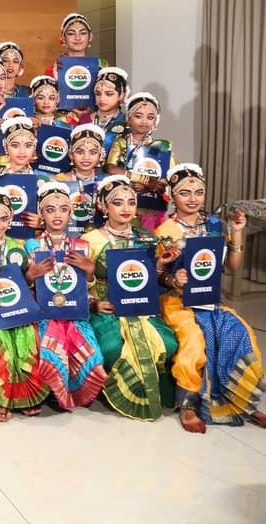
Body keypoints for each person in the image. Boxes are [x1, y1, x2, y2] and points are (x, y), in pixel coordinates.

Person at [153, 164, 265, 432]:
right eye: (185, 193)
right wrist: (172, 278)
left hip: (209, 298)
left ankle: (242, 399)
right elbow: (156, 276)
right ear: (172, 196)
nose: (193, 198)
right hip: (175, 301)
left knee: (241, 331)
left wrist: (237, 231)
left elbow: (233, 266)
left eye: (199, 192)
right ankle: (189, 403)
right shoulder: (165, 230)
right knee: (193, 338)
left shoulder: (215, 224)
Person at [81, 175, 177, 421]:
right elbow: (76, 284)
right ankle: (121, 392)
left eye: (131, 202)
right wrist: (93, 303)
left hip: (140, 306)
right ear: (103, 206)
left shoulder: (145, 236)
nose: (126, 208)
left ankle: (154, 392)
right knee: (113, 346)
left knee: (167, 343)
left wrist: (159, 266)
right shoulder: (89, 240)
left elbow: (149, 279)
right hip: (106, 307)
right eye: (118, 202)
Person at [24, 182, 107, 409]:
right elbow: (27, 288)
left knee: (91, 354)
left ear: (71, 213)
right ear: (41, 215)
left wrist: (89, 271)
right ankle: (53, 392)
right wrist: (31, 276)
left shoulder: (81, 245)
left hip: (75, 311)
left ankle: (75, 391)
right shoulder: (32, 246)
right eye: (50, 210)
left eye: (63, 209)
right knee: (50, 346)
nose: (57, 215)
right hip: (44, 312)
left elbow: (85, 287)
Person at [0, 187, 48, 422]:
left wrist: (32, 276)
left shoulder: (18, 246)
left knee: (27, 334)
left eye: (3, 218)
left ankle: (24, 395)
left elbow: (23, 283)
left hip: (15, 305)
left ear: (11, 219)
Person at [104, 92, 176, 232]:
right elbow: (110, 168)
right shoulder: (121, 143)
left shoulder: (162, 146)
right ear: (128, 119)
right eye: (138, 116)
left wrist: (148, 187)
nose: (144, 121)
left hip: (152, 211)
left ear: (155, 122)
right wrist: (143, 179)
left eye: (150, 117)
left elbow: (168, 181)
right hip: (123, 209)